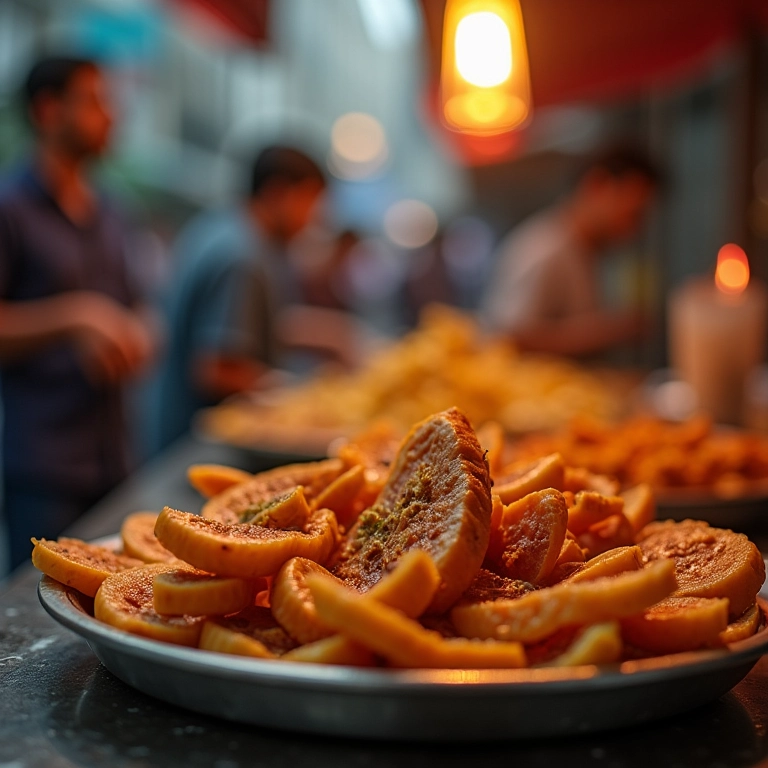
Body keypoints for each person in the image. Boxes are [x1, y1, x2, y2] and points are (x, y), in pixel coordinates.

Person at [0, 56, 156, 570]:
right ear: (48, 109)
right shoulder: (11, 206)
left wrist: (140, 334)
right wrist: (75, 316)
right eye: (93, 101)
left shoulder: (113, 209)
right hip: (43, 461)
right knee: (41, 619)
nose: (111, 115)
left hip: (115, 453)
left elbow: (136, 309)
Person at [147, 146, 326, 452]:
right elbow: (216, 369)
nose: (313, 219)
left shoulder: (223, 227)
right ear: (278, 192)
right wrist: (294, 393)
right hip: (195, 448)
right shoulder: (243, 257)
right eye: (310, 202)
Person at [482, 146, 663, 357]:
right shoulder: (547, 248)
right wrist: (615, 329)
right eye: (634, 214)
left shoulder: (583, 250)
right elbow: (508, 337)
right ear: (597, 185)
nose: (635, 229)